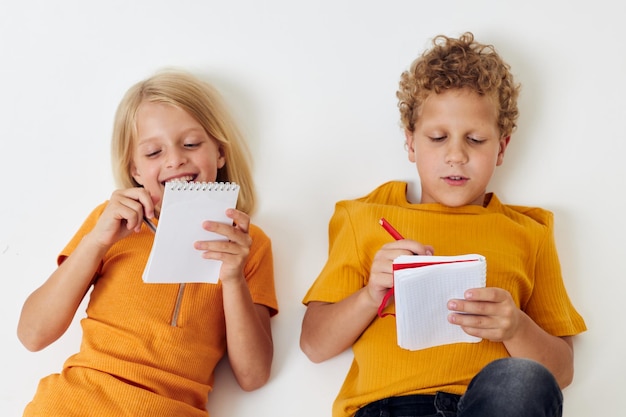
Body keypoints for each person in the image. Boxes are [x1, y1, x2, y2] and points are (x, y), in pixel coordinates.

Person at [300, 32, 586, 417]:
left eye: (475, 139)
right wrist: (371, 294)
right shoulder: (364, 217)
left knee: (524, 379)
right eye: (437, 138)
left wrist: (515, 326)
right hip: (388, 408)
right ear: (411, 143)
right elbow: (314, 345)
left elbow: (560, 372)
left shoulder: (529, 232)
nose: (456, 156)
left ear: (501, 148)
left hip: (488, 405)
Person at [17, 69, 278, 416]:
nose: (174, 160)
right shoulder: (109, 223)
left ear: (220, 152)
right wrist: (97, 241)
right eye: (153, 152)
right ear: (135, 171)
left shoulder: (249, 245)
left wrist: (232, 276)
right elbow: (32, 335)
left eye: (191, 144)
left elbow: (253, 375)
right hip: (73, 404)